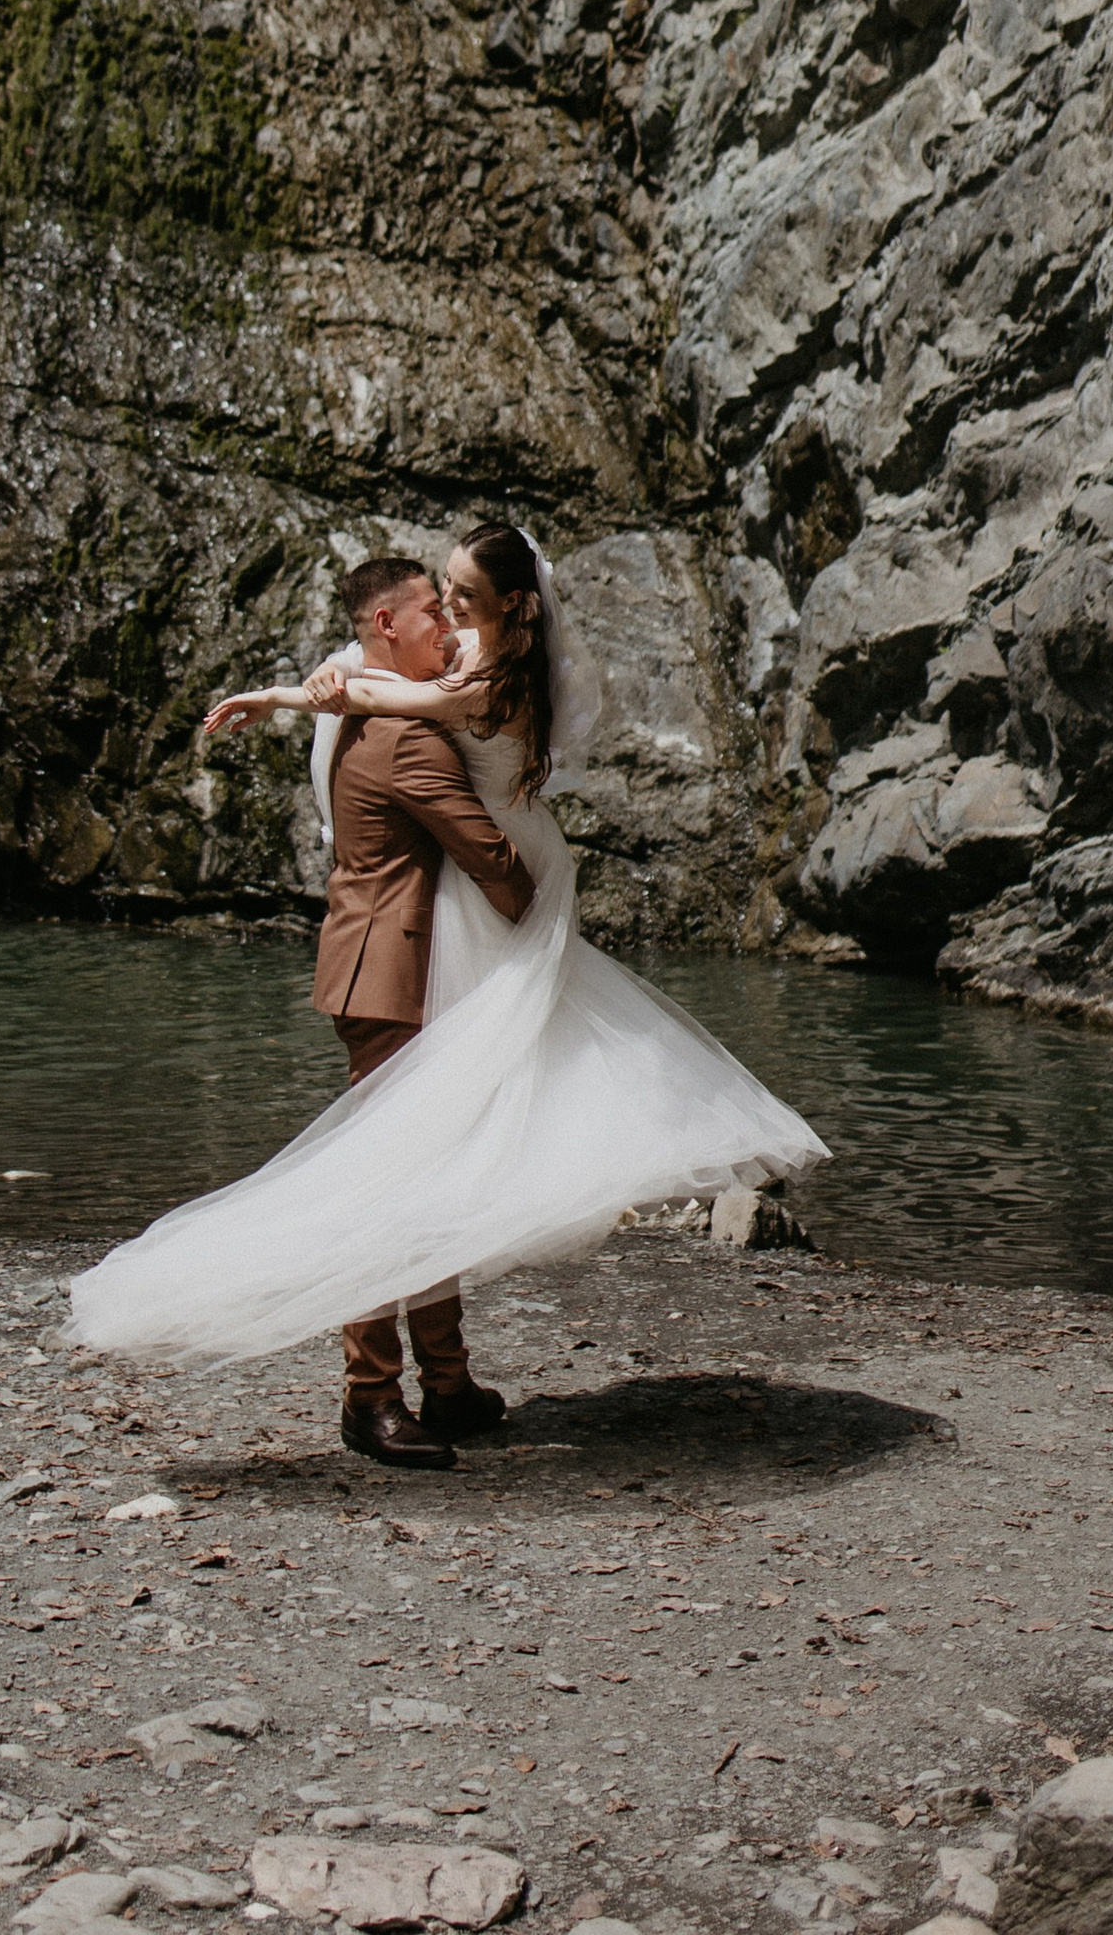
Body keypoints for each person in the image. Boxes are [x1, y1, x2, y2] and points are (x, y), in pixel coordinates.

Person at [67, 524, 826, 1466]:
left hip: (385, 959)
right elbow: (491, 859)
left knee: (427, 1182)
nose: (450, 624)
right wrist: (538, 916)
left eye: (460, 604)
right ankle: (370, 1395)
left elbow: (367, 678)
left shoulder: (402, 698)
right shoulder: (409, 741)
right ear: (390, 623)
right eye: (436, 610)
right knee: (386, 1190)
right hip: (394, 969)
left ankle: (450, 1381)